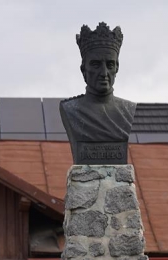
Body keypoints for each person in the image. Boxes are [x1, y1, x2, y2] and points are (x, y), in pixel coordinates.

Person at [59, 22, 136, 164]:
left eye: (110, 65)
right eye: (96, 65)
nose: (104, 73)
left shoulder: (129, 110)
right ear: (83, 69)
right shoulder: (70, 109)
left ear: (117, 68)